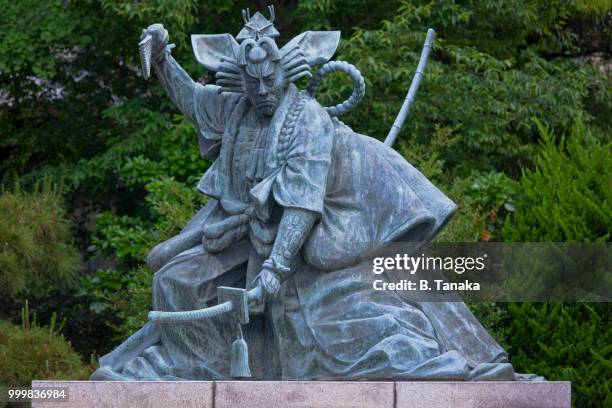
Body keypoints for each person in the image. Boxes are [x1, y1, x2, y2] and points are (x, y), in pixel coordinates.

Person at [91, 8, 525, 381]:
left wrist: (274, 273)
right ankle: (198, 365)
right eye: (251, 82)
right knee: (173, 279)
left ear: (284, 71)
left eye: (268, 80)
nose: (260, 91)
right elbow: (191, 101)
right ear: (240, 78)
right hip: (243, 237)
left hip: (303, 243)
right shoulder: (233, 108)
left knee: (334, 318)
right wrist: (163, 58)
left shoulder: (308, 120)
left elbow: (301, 204)